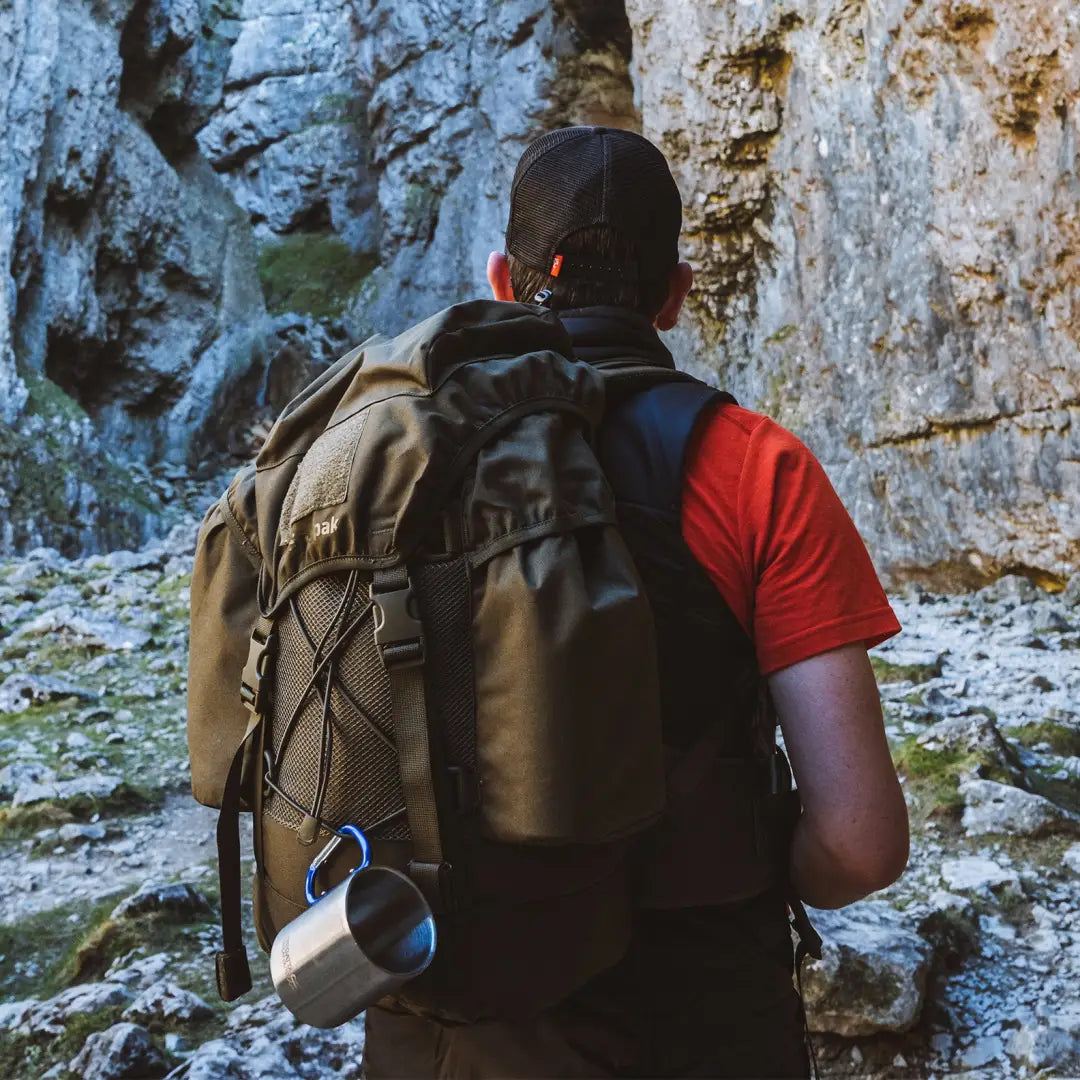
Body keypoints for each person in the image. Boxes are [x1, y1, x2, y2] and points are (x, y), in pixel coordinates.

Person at [359, 125, 910, 1079]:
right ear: (676, 294)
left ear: (501, 277)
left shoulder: (395, 459)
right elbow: (860, 848)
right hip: (697, 1014)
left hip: (446, 1016)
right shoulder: (759, 469)